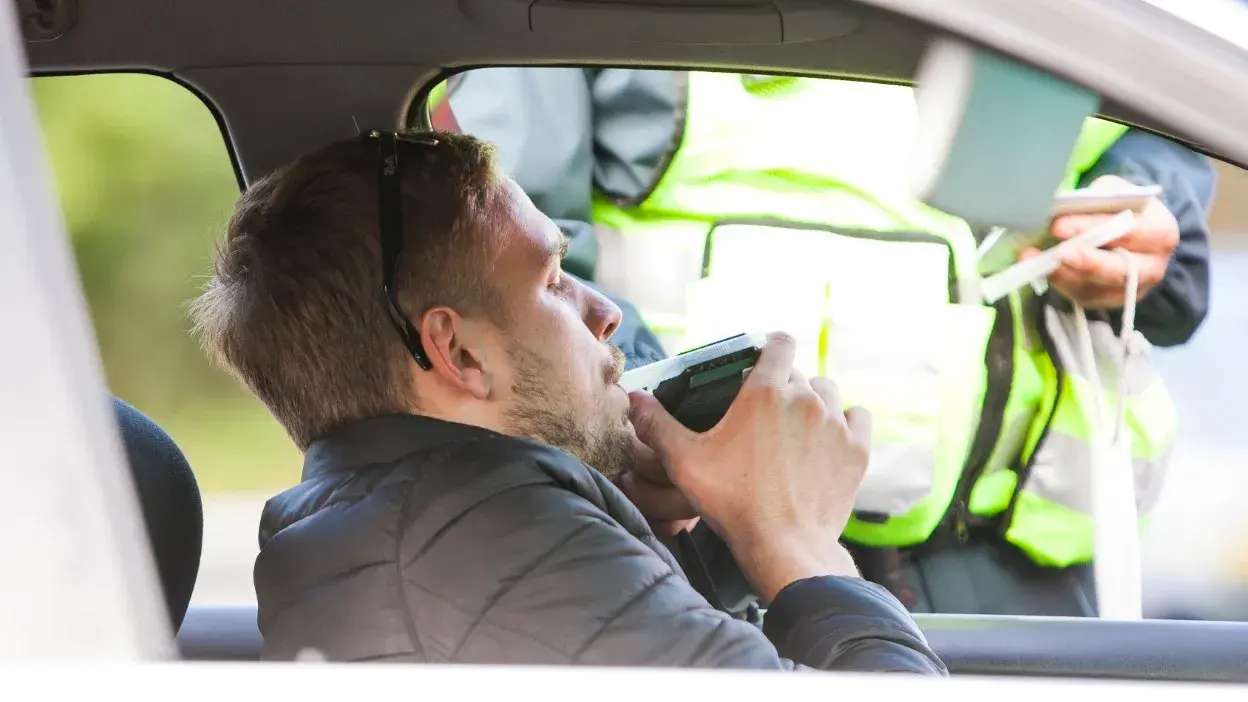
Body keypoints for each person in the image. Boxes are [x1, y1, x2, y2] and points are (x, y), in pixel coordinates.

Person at [435, 68, 1216, 616]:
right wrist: (659, 439)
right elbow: (513, 258)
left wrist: (1141, 213)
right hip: (699, 549)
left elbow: (1162, 130)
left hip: (1011, 567)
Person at [190, 130, 946, 671]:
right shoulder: (491, 542)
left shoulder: (412, 524)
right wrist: (797, 543)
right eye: (553, 282)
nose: (604, 312)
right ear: (458, 352)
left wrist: (649, 519)